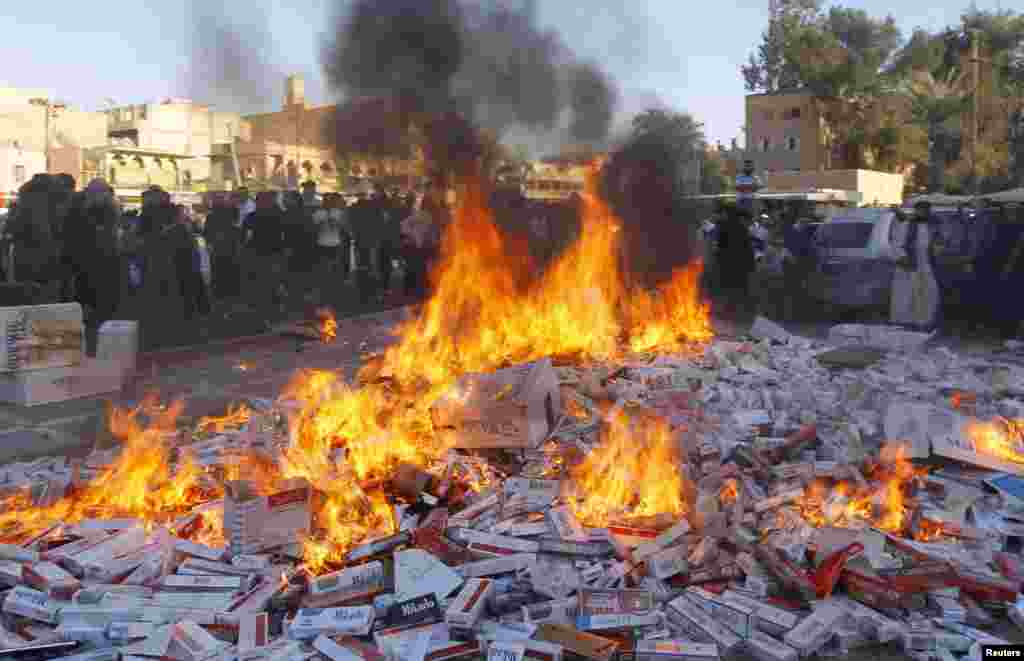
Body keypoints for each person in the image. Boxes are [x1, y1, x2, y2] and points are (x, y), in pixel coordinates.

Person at [889, 201, 941, 331]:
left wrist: (938, 249)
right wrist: (902, 257)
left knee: (928, 293)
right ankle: (904, 323)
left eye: (925, 210)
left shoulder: (934, 224)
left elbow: (939, 241)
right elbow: (896, 243)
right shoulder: (906, 224)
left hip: (927, 264)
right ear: (916, 210)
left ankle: (925, 322)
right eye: (920, 210)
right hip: (909, 264)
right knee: (907, 295)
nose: (922, 212)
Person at [243, 191, 287, 309]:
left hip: (262, 254)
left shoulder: (251, 217)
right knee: (272, 281)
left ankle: (264, 306)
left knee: (263, 282)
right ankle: (274, 306)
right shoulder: (280, 215)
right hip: (272, 253)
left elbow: (246, 237)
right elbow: (285, 235)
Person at [715, 207, 757, 320]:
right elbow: (747, 250)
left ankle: (730, 313)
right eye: (748, 220)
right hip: (738, 267)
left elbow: (719, 248)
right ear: (742, 219)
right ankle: (736, 314)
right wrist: (751, 265)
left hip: (728, 266)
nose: (748, 223)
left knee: (730, 290)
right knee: (738, 291)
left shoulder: (726, 228)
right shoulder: (741, 230)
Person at [204, 195, 243, 299]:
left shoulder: (211, 216)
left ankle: (219, 291)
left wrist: (210, 245)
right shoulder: (231, 212)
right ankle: (231, 290)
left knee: (218, 270)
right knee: (230, 269)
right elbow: (237, 225)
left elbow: (207, 234)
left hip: (218, 248)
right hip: (229, 246)